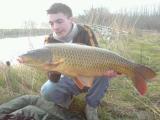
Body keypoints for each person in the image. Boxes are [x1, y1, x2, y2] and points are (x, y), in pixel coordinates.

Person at [40, 3, 117, 120]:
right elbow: (53, 79)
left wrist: (105, 70)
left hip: (89, 73)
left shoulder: (85, 30)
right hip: (67, 77)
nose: (55, 27)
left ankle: (91, 106)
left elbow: (98, 55)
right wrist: (53, 67)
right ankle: (66, 101)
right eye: (51, 23)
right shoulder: (49, 41)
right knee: (47, 90)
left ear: (70, 19)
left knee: (104, 73)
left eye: (59, 21)